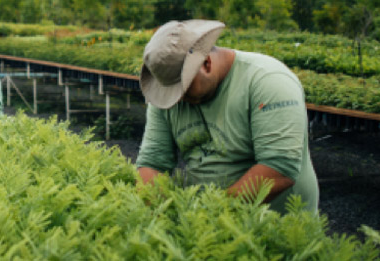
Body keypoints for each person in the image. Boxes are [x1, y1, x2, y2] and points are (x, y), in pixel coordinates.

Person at [135, 20, 318, 214]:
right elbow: (152, 163)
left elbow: (279, 168)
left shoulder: (267, 81)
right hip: (206, 227)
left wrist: (214, 214)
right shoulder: (168, 98)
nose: (177, 99)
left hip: (276, 228)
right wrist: (161, 213)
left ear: (206, 63)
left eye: (183, 88)